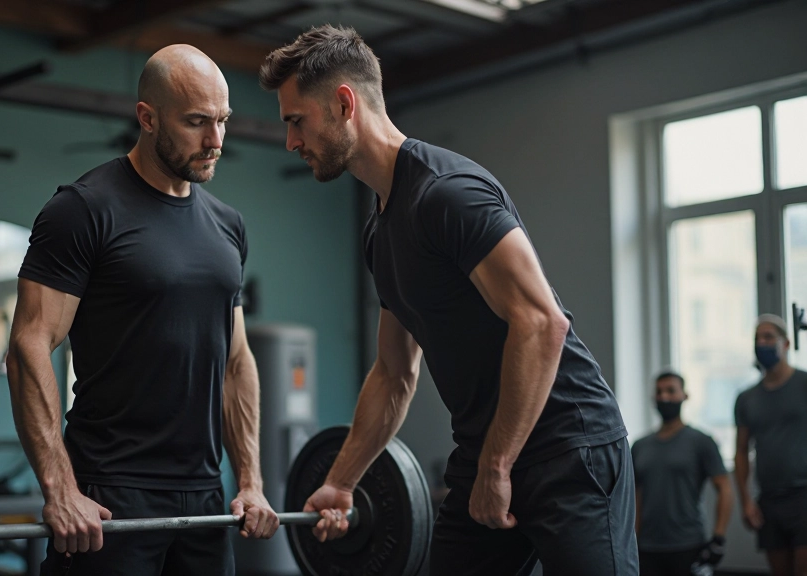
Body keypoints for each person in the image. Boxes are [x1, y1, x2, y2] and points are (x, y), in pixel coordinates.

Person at [258, 24, 637, 576]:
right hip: (485, 452)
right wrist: (340, 482)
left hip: (567, 448)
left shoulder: (447, 193)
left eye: (297, 121)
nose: (292, 141)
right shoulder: (380, 232)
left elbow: (539, 322)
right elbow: (393, 372)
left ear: (343, 104)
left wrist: (498, 465)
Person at [5, 44, 279, 576]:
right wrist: (61, 490)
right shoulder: (83, 210)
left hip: (205, 497)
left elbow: (236, 361)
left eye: (222, 121)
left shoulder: (229, 226)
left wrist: (250, 481)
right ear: (147, 118)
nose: (215, 141)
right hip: (108, 499)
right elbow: (28, 344)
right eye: (197, 122)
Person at [631, 371, 732, 576]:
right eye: (659, 392)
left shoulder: (701, 441)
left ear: (685, 396)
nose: (664, 397)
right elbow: (635, 497)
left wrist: (718, 538)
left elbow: (724, 488)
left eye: (671, 391)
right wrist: (631, 540)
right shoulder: (640, 446)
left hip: (688, 545)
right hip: (647, 547)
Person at [734, 314, 807, 576]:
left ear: (786, 343)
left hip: (803, 495)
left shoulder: (803, 383)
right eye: (757, 338)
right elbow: (741, 452)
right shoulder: (747, 398)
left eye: (768, 337)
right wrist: (746, 501)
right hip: (769, 499)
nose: (761, 343)